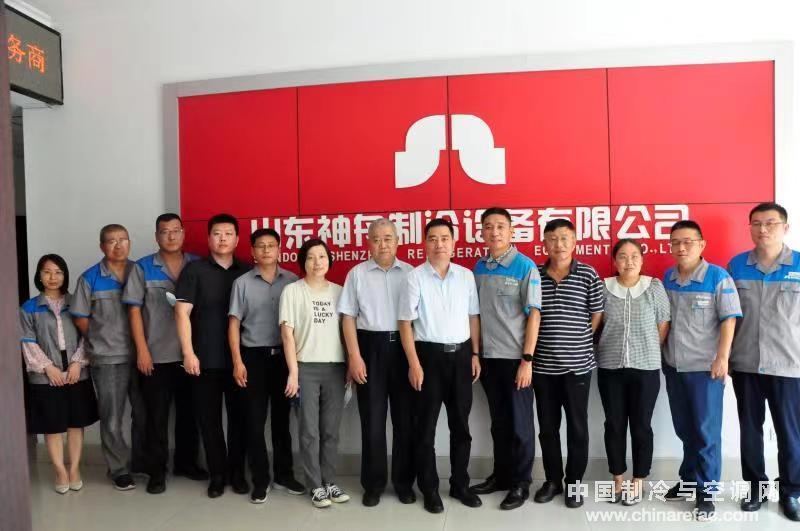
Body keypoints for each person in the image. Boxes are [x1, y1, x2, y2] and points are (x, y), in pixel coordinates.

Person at [398, 218, 482, 514]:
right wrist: (414, 363)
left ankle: (460, 484)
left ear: (453, 242)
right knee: (425, 429)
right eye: (432, 238)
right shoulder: (414, 277)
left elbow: (473, 317)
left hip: (461, 357)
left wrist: (475, 354)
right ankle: (430, 488)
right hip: (428, 358)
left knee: (461, 427)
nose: (439, 244)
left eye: (444, 238)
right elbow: (405, 323)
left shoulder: (466, 276)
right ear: (425, 243)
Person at [122, 213, 207, 495]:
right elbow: (134, 311)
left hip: (190, 355)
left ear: (183, 233)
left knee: (189, 414)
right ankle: (156, 471)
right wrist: (142, 350)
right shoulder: (143, 268)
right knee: (155, 418)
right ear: (156, 236)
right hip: (156, 356)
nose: (171, 236)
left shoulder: (196, 264)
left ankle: (186, 463)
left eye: (175, 230)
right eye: (164, 231)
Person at [662, 219, 741, 521]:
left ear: (701, 244)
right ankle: (688, 480)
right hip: (674, 366)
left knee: (706, 432)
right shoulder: (668, 278)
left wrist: (722, 357)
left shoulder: (718, 277)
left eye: (688, 242)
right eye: (675, 242)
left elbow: (729, 319)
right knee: (685, 428)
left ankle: (707, 492)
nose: (681, 248)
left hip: (705, 370)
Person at [727, 202, 800, 521]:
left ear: (785, 227)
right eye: (756, 223)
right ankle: (755, 487)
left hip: (789, 365)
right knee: (750, 431)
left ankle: (792, 491)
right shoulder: (736, 265)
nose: (763, 229)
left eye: (770, 223)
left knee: (790, 432)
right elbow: (727, 316)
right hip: (746, 364)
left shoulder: (799, 264)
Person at [338, 218, 416, 507]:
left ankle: (404, 483)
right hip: (369, 350)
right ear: (368, 242)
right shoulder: (357, 274)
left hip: (404, 349)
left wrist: (415, 360)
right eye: (376, 239)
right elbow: (348, 317)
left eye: (388, 238)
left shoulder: (411, 273)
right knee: (372, 421)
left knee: (405, 421)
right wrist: (355, 356)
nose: (382, 244)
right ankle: (373, 484)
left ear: (397, 240)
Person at [175, 213, 251, 498]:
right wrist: (188, 352)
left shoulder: (247, 272)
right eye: (217, 233)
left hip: (241, 361)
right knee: (209, 421)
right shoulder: (194, 271)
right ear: (208, 238)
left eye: (228, 234)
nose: (222, 239)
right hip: (204, 359)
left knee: (240, 420)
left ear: (237, 239)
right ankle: (217, 475)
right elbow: (181, 313)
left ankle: (237, 474)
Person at [469, 207, 541, 510]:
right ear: (482, 232)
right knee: (499, 423)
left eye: (500, 226)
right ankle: (501, 476)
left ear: (512, 231)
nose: (494, 232)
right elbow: (474, 314)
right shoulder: (479, 267)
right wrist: (476, 353)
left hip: (515, 360)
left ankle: (521, 483)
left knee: (520, 425)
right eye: (488, 226)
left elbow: (534, 315)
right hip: (488, 359)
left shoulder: (525, 266)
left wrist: (527, 360)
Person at [228, 228, 305, 504]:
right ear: (252, 251)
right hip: (253, 359)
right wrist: (237, 361)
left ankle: (284, 475)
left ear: (279, 249)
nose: (266, 250)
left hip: (285, 359)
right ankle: (260, 480)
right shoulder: (242, 283)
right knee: (254, 421)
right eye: (260, 246)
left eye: (271, 245)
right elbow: (234, 324)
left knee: (282, 422)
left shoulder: (293, 281)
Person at [532, 218, 603, 508]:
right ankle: (552, 481)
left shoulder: (588, 274)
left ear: (574, 241)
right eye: (552, 238)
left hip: (578, 367)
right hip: (542, 367)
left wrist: (578, 339)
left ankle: (574, 483)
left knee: (577, 428)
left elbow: (596, 314)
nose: (558, 244)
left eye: (564, 238)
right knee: (547, 428)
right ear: (544, 243)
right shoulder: (535, 275)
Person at [71, 224, 145, 491]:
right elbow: (80, 316)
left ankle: (141, 462)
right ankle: (119, 469)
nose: (118, 245)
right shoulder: (89, 278)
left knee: (144, 413)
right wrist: (101, 336)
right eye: (112, 241)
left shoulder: (139, 271)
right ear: (102, 246)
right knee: (112, 416)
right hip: (107, 357)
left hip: (143, 354)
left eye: (123, 239)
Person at [596, 239, 670, 505]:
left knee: (641, 426)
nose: (629, 262)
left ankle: (638, 481)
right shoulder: (603, 287)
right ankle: (617, 479)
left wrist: (647, 348)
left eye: (634, 256)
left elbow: (663, 323)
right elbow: (596, 323)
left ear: (642, 259)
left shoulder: (654, 286)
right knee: (614, 424)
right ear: (614, 260)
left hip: (646, 368)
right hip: (610, 367)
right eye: (623, 256)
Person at [280, 238, 350, 509]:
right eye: (310, 257)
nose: (317, 262)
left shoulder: (340, 292)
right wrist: (293, 373)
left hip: (335, 368)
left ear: (329, 260)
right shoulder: (292, 291)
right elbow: (287, 335)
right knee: (309, 431)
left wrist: (349, 366)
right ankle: (315, 485)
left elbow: (347, 333)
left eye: (322, 256)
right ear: (303, 262)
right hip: (305, 368)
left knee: (331, 431)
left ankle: (329, 481)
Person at [20, 254, 98, 493]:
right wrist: (48, 367)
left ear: (65, 275)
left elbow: (88, 335)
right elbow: (27, 341)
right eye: (47, 272)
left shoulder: (76, 303)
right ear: (39, 276)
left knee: (76, 423)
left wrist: (77, 363)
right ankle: (60, 471)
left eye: (58, 272)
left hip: (76, 372)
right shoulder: (29, 307)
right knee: (52, 425)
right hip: (45, 374)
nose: (52, 277)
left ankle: (74, 468)